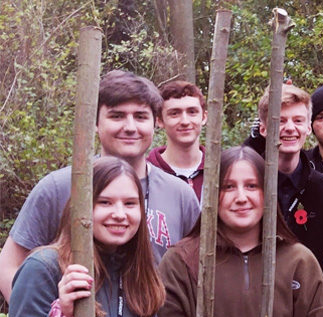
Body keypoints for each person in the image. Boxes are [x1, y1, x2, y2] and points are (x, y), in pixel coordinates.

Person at [0, 70, 200, 301]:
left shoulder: (180, 195)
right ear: (95, 122)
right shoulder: (60, 187)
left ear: (156, 123)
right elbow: (9, 265)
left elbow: (196, 273)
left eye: (141, 116)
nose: (130, 127)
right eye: (116, 116)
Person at [4, 157, 165, 317]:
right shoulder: (44, 269)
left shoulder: (142, 271)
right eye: (105, 202)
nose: (120, 214)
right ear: (80, 207)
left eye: (130, 203)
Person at [157, 146, 323, 317]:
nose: (241, 198)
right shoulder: (180, 262)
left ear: (267, 193)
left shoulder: (300, 262)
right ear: (212, 194)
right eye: (228, 187)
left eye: (251, 186)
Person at [244, 84, 323, 317]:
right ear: (263, 128)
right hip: (252, 313)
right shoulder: (247, 187)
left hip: (311, 316)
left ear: (308, 128)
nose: (290, 128)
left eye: (298, 121)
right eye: (280, 121)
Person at [147, 80, 208, 201]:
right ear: (159, 121)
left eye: (192, 112)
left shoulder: (221, 170)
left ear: (204, 117)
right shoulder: (146, 172)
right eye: (174, 113)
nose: (185, 121)